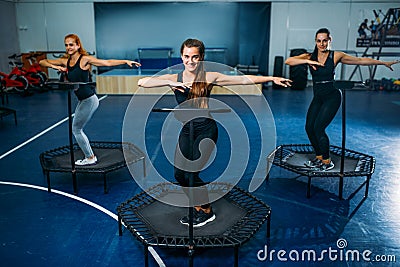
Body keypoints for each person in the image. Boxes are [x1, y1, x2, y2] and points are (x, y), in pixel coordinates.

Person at [138, 38, 291, 227]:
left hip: (206, 130)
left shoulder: (210, 77)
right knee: (179, 174)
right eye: (186, 56)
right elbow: (142, 81)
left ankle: (207, 210)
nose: (190, 61)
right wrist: (172, 85)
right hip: (187, 130)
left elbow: (243, 79)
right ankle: (198, 204)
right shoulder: (173, 78)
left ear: (201, 57)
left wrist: (271, 78)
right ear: (181, 56)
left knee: (192, 173)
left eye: (195, 57)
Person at [285, 28, 399, 171]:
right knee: (309, 127)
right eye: (319, 41)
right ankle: (319, 157)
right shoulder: (309, 56)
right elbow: (288, 61)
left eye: (324, 40)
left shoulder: (336, 56)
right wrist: (308, 61)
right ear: (315, 41)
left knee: (319, 128)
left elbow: (360, 60)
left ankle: (327, 162)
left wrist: (382, 63)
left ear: (329, 40)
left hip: (332, 97)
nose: (321, 44)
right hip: (318, 97)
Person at [40, 33, 140, 166]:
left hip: (90, 100)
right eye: (66, 45)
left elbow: (106, 62)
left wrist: (125, 62)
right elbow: (42, 62)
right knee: (76, 129)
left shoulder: (85, 59)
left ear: (78, 45)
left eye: (71, 44)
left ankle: (90, 157)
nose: (68, 47)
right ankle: (89, 155)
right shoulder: (65, 61)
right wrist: (55, 67)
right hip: (82, 100)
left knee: (76, 129)